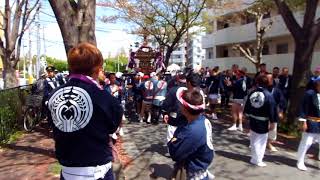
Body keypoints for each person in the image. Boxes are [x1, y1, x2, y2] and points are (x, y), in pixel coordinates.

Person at [47, 43, 123, 180]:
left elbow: (53, 123)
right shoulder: (104, 98)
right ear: (97, 68)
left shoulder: (54, 95)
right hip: (98, 171)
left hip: (67, 170)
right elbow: (113, 126)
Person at [168, 88, 214, 180]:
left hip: (194, 175)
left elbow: (175, 153)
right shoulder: (202, 120)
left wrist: (172, 140)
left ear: (184, 109)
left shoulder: (192, 131)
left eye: (180, 104)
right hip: (199, 170)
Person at [244, 74, 278, 167]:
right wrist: (273, 122)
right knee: (261, 141)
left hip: (252, 119)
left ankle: (254, 158)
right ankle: (258, 159)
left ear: (257, 82)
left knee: (253, 139)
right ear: (267, 83)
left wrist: (246, 117)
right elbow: (272, 109)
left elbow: (247, 106)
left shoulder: (252, 93)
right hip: (262, 121)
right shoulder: (268, 95)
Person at [296, 76, 320, 171]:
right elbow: (303, 108)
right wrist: (303, 122)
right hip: (311, 122)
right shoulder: (309, 94)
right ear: (317, 83)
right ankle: (300, 161)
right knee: (306, 143)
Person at [266, 74, 287, 152]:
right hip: (262, 112)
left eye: (269, 79)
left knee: (272, 130)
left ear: (272, 80)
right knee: (260, 128)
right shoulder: (261, 89)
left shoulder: (277, 90)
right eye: (266, 79)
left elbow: (282, 101)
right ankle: (257, 142)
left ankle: (268, 143)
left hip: (273, 112)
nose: (268, 80)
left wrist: (281, 111)